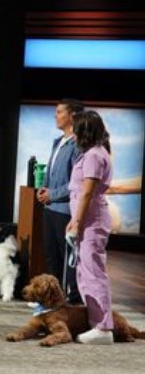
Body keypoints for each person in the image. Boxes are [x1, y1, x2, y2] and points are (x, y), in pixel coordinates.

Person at [66, 110, 115, 345]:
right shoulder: (91, 153)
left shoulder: (94, 155)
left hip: (92, 221)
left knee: (93, 273)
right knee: (84, 272)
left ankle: (103, 328)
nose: (73, 135)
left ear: (84, 132)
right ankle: (95, 321)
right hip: (87, 220)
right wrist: (75, 219)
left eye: (76, 131)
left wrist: (76, 221)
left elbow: (87, 192)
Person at [36, 98, 84, 303]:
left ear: (72, 115)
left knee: (66, 260)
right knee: (51, 255)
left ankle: (70, 300)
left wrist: (52, 194)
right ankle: (51, 299)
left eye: (59, 112)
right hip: (50, 208)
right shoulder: (57, 142)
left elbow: (76, 181)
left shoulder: (78, 144)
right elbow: (51, 172)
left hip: (65, 210)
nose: (55, 116)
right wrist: (43, 189)